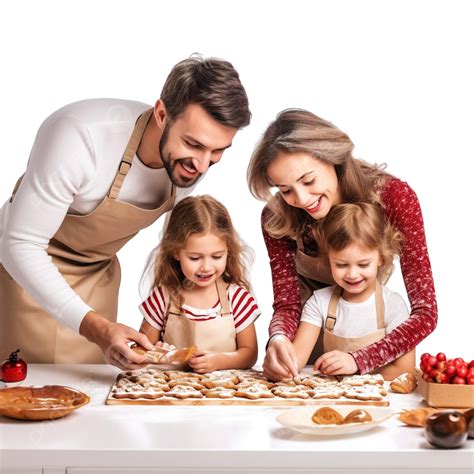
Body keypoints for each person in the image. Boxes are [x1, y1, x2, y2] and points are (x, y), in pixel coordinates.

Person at [0, 55, 251, 368]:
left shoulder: (193, 161)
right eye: (193, 144)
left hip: (98, 278)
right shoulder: (79, 135)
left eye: (217, 152)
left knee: (90, 392)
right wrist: (98, 328)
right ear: (162, 113)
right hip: (24, 275)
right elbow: (20, 244)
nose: (202, 165)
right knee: (29, 393)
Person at [247, 108, 437, 380]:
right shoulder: (276, 217)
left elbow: (425, 313)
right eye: (285, 189)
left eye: (308, 180)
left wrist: (360, 359)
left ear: (333, 157)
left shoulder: (395, 198)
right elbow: (288, 305)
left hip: (372, 342)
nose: (301, 199)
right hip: (307, 339)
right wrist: (278, 339)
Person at [291, 202, 415, 381]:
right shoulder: (319, 302)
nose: (352, 274)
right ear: (329, 259)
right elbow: (296, 359)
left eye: (363, 264)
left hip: (379, 400)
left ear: (381, 258)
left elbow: (405, 370)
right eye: (341, 265)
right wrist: (281, 360)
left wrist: (355, 366)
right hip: (335, 398)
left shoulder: (393, 305)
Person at [138, 195, 259, 373]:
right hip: (171, 394)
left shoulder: (237, 298)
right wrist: (158, 353)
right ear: (175, 252)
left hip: (223, 395)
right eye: (194, 258)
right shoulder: (163, 298)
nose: (206, 267)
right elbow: (142, 349)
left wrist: (219, 361)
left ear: (228, 251)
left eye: (217, 256)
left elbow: (249, 354)